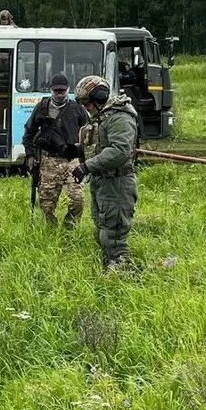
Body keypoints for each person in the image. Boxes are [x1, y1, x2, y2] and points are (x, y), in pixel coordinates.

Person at [70, 75, 139, 274]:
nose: (85, 107)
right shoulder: (102, 117)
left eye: (86, 102)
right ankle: (110, 269)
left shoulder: (119, 117)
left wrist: (87, 166)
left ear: (98, 97)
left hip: (117, 183)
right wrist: (74, 150)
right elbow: (99, 145)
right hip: (102, 181)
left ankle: (120, 274)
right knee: (102, 229)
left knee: (114, 234)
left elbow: (119, 151)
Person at [21, 73, 89, 227]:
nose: (59, 94)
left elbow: (88, 132)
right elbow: (29, 132)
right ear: (51, 90)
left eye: (62, 91)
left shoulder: (77, 108)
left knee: (77, 199)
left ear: (68, 90)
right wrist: (30, 154)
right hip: (48, 160)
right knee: (47, 203)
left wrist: (87, 159)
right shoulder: (42, 107)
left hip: (72, 160)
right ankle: (51, 231)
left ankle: (69, 230)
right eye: (56, 90)